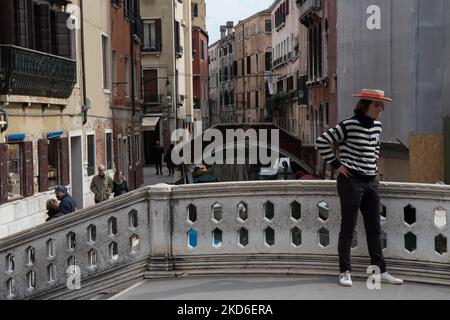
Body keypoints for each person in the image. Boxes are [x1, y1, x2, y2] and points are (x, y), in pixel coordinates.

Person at [315, 89, 403, 287]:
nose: (381, 109)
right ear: (365, 105)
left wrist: (374, 167)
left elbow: (375, 148)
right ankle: (344, 271)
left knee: (374, 228)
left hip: (371, 182)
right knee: (348, 227)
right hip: (351, 181)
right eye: (377, 105)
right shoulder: (349, 125)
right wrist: (338, 165)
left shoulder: (378, 126)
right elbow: (321, 142)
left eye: (382, 105)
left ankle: (380, 270)